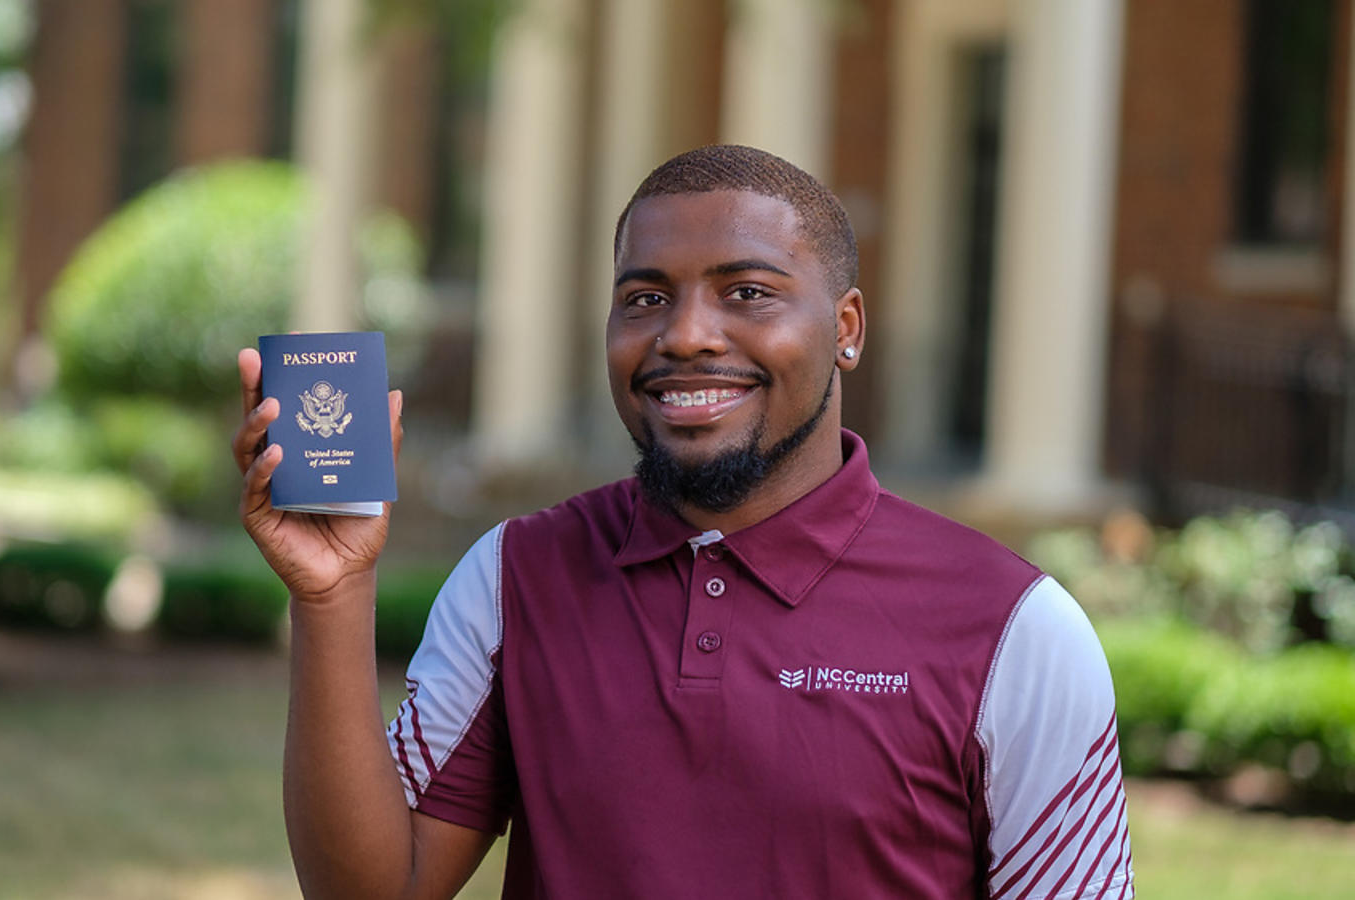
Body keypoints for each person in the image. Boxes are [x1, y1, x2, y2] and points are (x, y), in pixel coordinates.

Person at [233, 145, 1134, 899]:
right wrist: (334, 594)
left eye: (747, 292)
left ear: (847, 327)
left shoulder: (1016, 627)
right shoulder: (514, 578)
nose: (687, 335)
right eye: (646, 297)